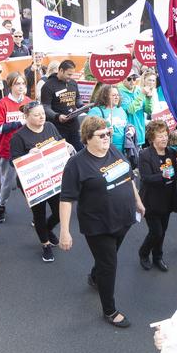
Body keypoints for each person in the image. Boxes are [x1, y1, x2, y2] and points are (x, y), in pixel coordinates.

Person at [58, 115, 144, 328]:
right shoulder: (76, 164)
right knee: (109, 264)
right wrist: (65, 231)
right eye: (101, 135)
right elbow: (67, 199)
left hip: (123, 218)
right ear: (87, 138)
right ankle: (109, 310)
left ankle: (96, 277)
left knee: (109, 256)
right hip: (98, 225)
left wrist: (138, 201)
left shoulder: (113, 151)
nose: (107, 138)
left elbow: (128, 177)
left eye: (108, 133)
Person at [10, 102, 65, 262]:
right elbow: (13, 161)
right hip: (33, 182)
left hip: (53, 177)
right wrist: (28, 156)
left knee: (60, 211)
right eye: (36, 114)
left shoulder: (49, 126)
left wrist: (65, 147)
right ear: (26, 117)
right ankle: (45, 244)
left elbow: (60, 141)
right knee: (39, 214)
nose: (42, 117)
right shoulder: (18, 136)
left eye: (42, 113)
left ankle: (47, 229)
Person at [137, 120, 177, 271]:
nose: (164, 138)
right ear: (152, 137)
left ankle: (157, 257)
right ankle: (143, 252)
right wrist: (164, 175)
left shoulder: (172, 152)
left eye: (165, 134)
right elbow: (146, 178)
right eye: (159, 135)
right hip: (151, 201)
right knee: (156, 231)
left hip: (167, 200)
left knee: (163, 231)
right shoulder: (145, 154)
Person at [0, 72, 32, 224]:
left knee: (31, 182)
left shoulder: (29, 101)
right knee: (7, 184)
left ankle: (37, 211)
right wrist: (19, 123)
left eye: (23, 83)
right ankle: (1, 205)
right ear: (10, 86)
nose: (21, 87)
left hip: (27, 149)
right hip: (7, 149)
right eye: (17, 84)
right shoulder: (2, 104)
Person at [41, 59, 83, 150]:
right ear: (60, 70)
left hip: (74, 126)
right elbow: (45, 107)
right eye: (68, 74)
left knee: (79, 151)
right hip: (58, 128)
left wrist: (82, 107)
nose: (70, 77)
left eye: (72, 74)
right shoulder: (48, 86)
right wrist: (57, 116)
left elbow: (77, 99)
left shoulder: (73, 83)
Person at [88, 85, 130, 155]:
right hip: (106, 151)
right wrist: (106, 131)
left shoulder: (121, 110)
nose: (116, 97)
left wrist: (130, 128)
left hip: (123, 151)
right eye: (113, 95)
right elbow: (88, 132)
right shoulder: (96, 111)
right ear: (105, 96)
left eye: (117, 95)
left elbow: (126, 124)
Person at [118, 73, 149, 148]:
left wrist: (149, 99)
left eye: (134, 79)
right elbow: (130, 110)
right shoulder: (119, 92)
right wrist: (142, 95)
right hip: (127, 135)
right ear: (123, 80)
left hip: (140, 133)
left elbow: (148, 110)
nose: (132, 81)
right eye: (129, 79)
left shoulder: (138, 90)